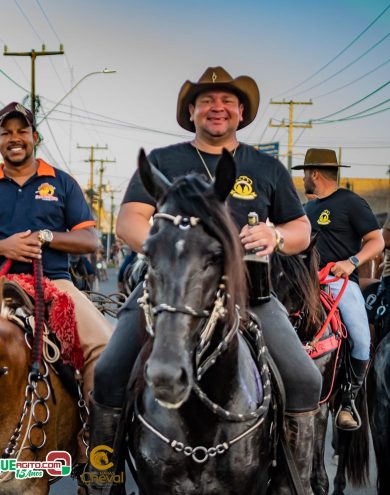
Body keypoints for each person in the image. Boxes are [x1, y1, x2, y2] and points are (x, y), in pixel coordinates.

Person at [94, 67, 322, 492]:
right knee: (108, 373)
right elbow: (129, 220)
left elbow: (301, 230)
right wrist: (173, 252)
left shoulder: (267, 167)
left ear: (240, 113)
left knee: (305, 380)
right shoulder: (163, 161)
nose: (217, 108)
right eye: (206, 101)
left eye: (226, 102)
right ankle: (101, 477)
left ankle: (296, 483)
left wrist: (274, 234)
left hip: (251, 293)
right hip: (167, 292)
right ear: (191, 111)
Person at [0, 101, 112, 461]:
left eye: (21, 131)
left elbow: (88, 241)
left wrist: (44, 237)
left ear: (34, 137)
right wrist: (0, 246)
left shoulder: (62, 183)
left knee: (104, 349)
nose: (15, 138)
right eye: (6, 132)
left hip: (56, 284)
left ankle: (93, 439)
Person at [295, 148, 384, 430]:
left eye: (305, 174)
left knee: (360, 339)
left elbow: (377, 240)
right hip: (305, 284)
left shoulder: (351, 202)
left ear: (314, 174)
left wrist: (351, 262)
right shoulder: (306, 209)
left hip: (339, 283)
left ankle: (348, 400)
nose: (304, 179)